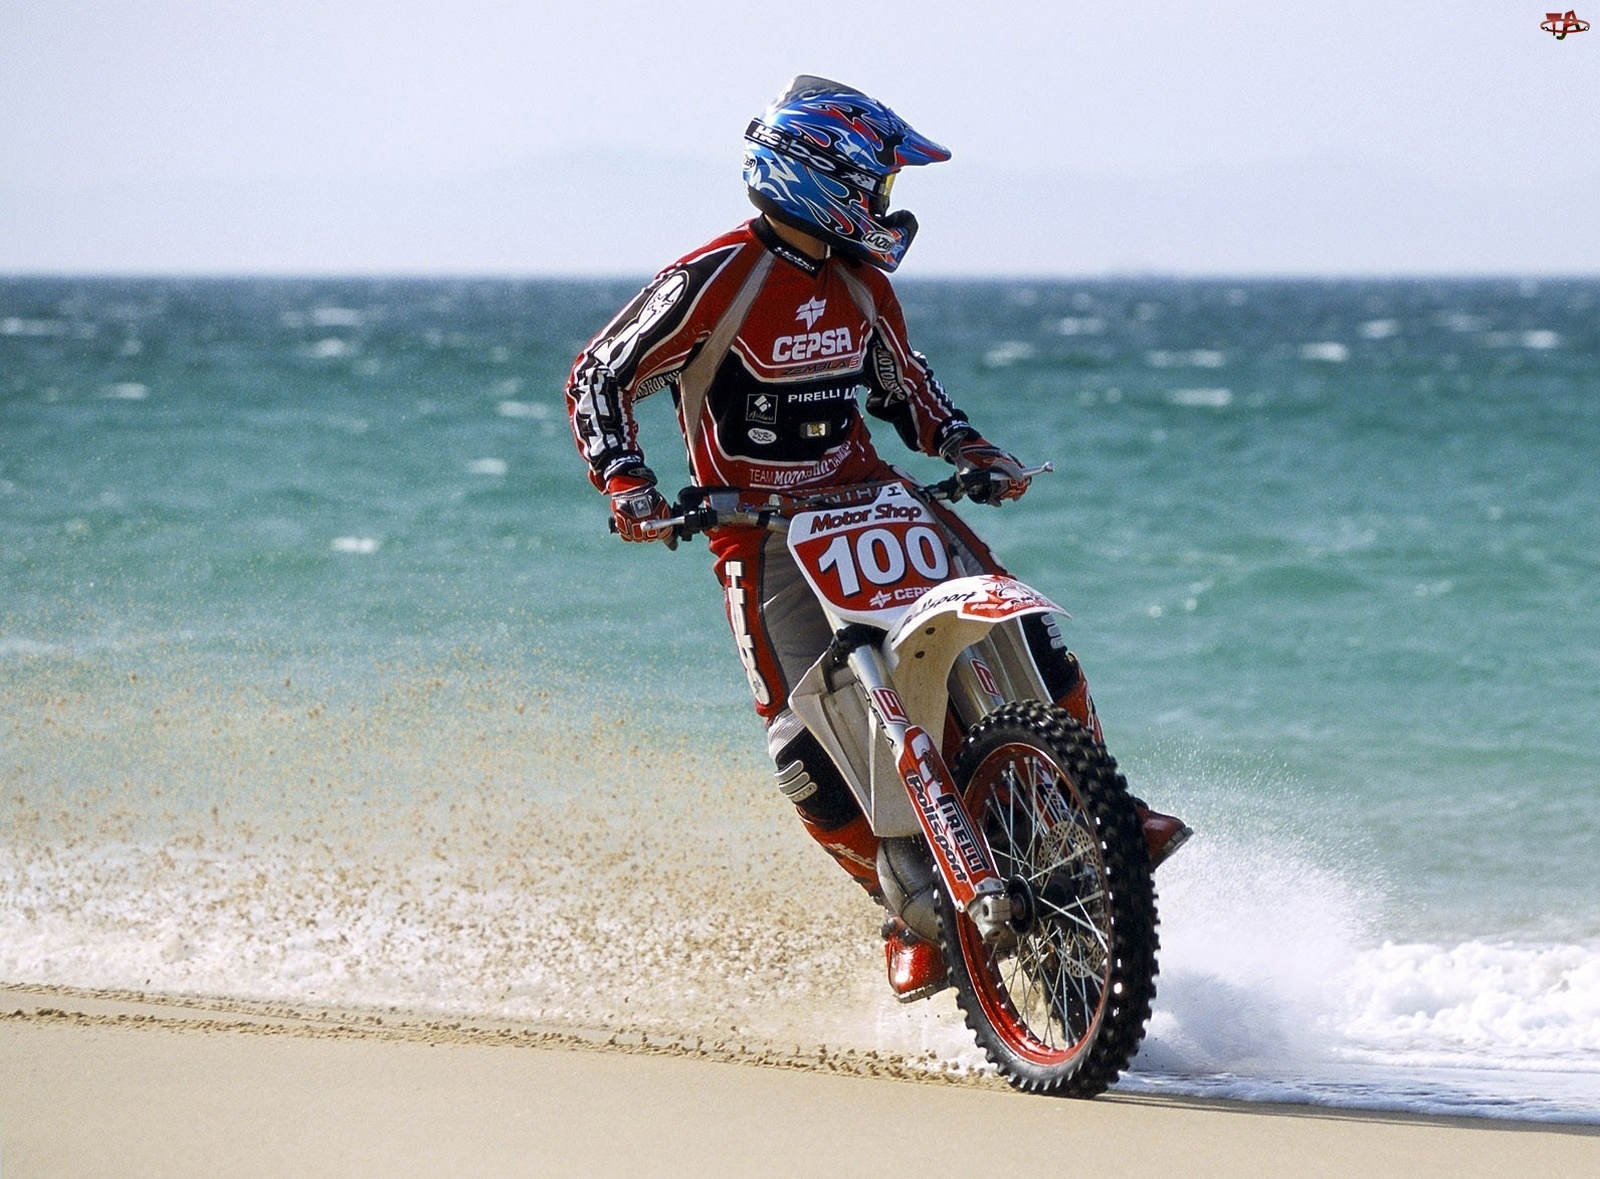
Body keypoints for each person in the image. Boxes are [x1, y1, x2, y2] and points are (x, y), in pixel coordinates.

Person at [566, 75, 1189, 1003]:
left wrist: (968, 446)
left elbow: (908, 391)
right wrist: (628, 482)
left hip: (876, 504)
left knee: (1025, 629)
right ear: (822, 177)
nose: (888, 205)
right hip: (760, 533)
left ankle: (1105, 808)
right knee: (804, 760)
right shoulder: (714, 279)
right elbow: (598, 375)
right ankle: (906, 910)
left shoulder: (862, 283)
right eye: (878, 184)